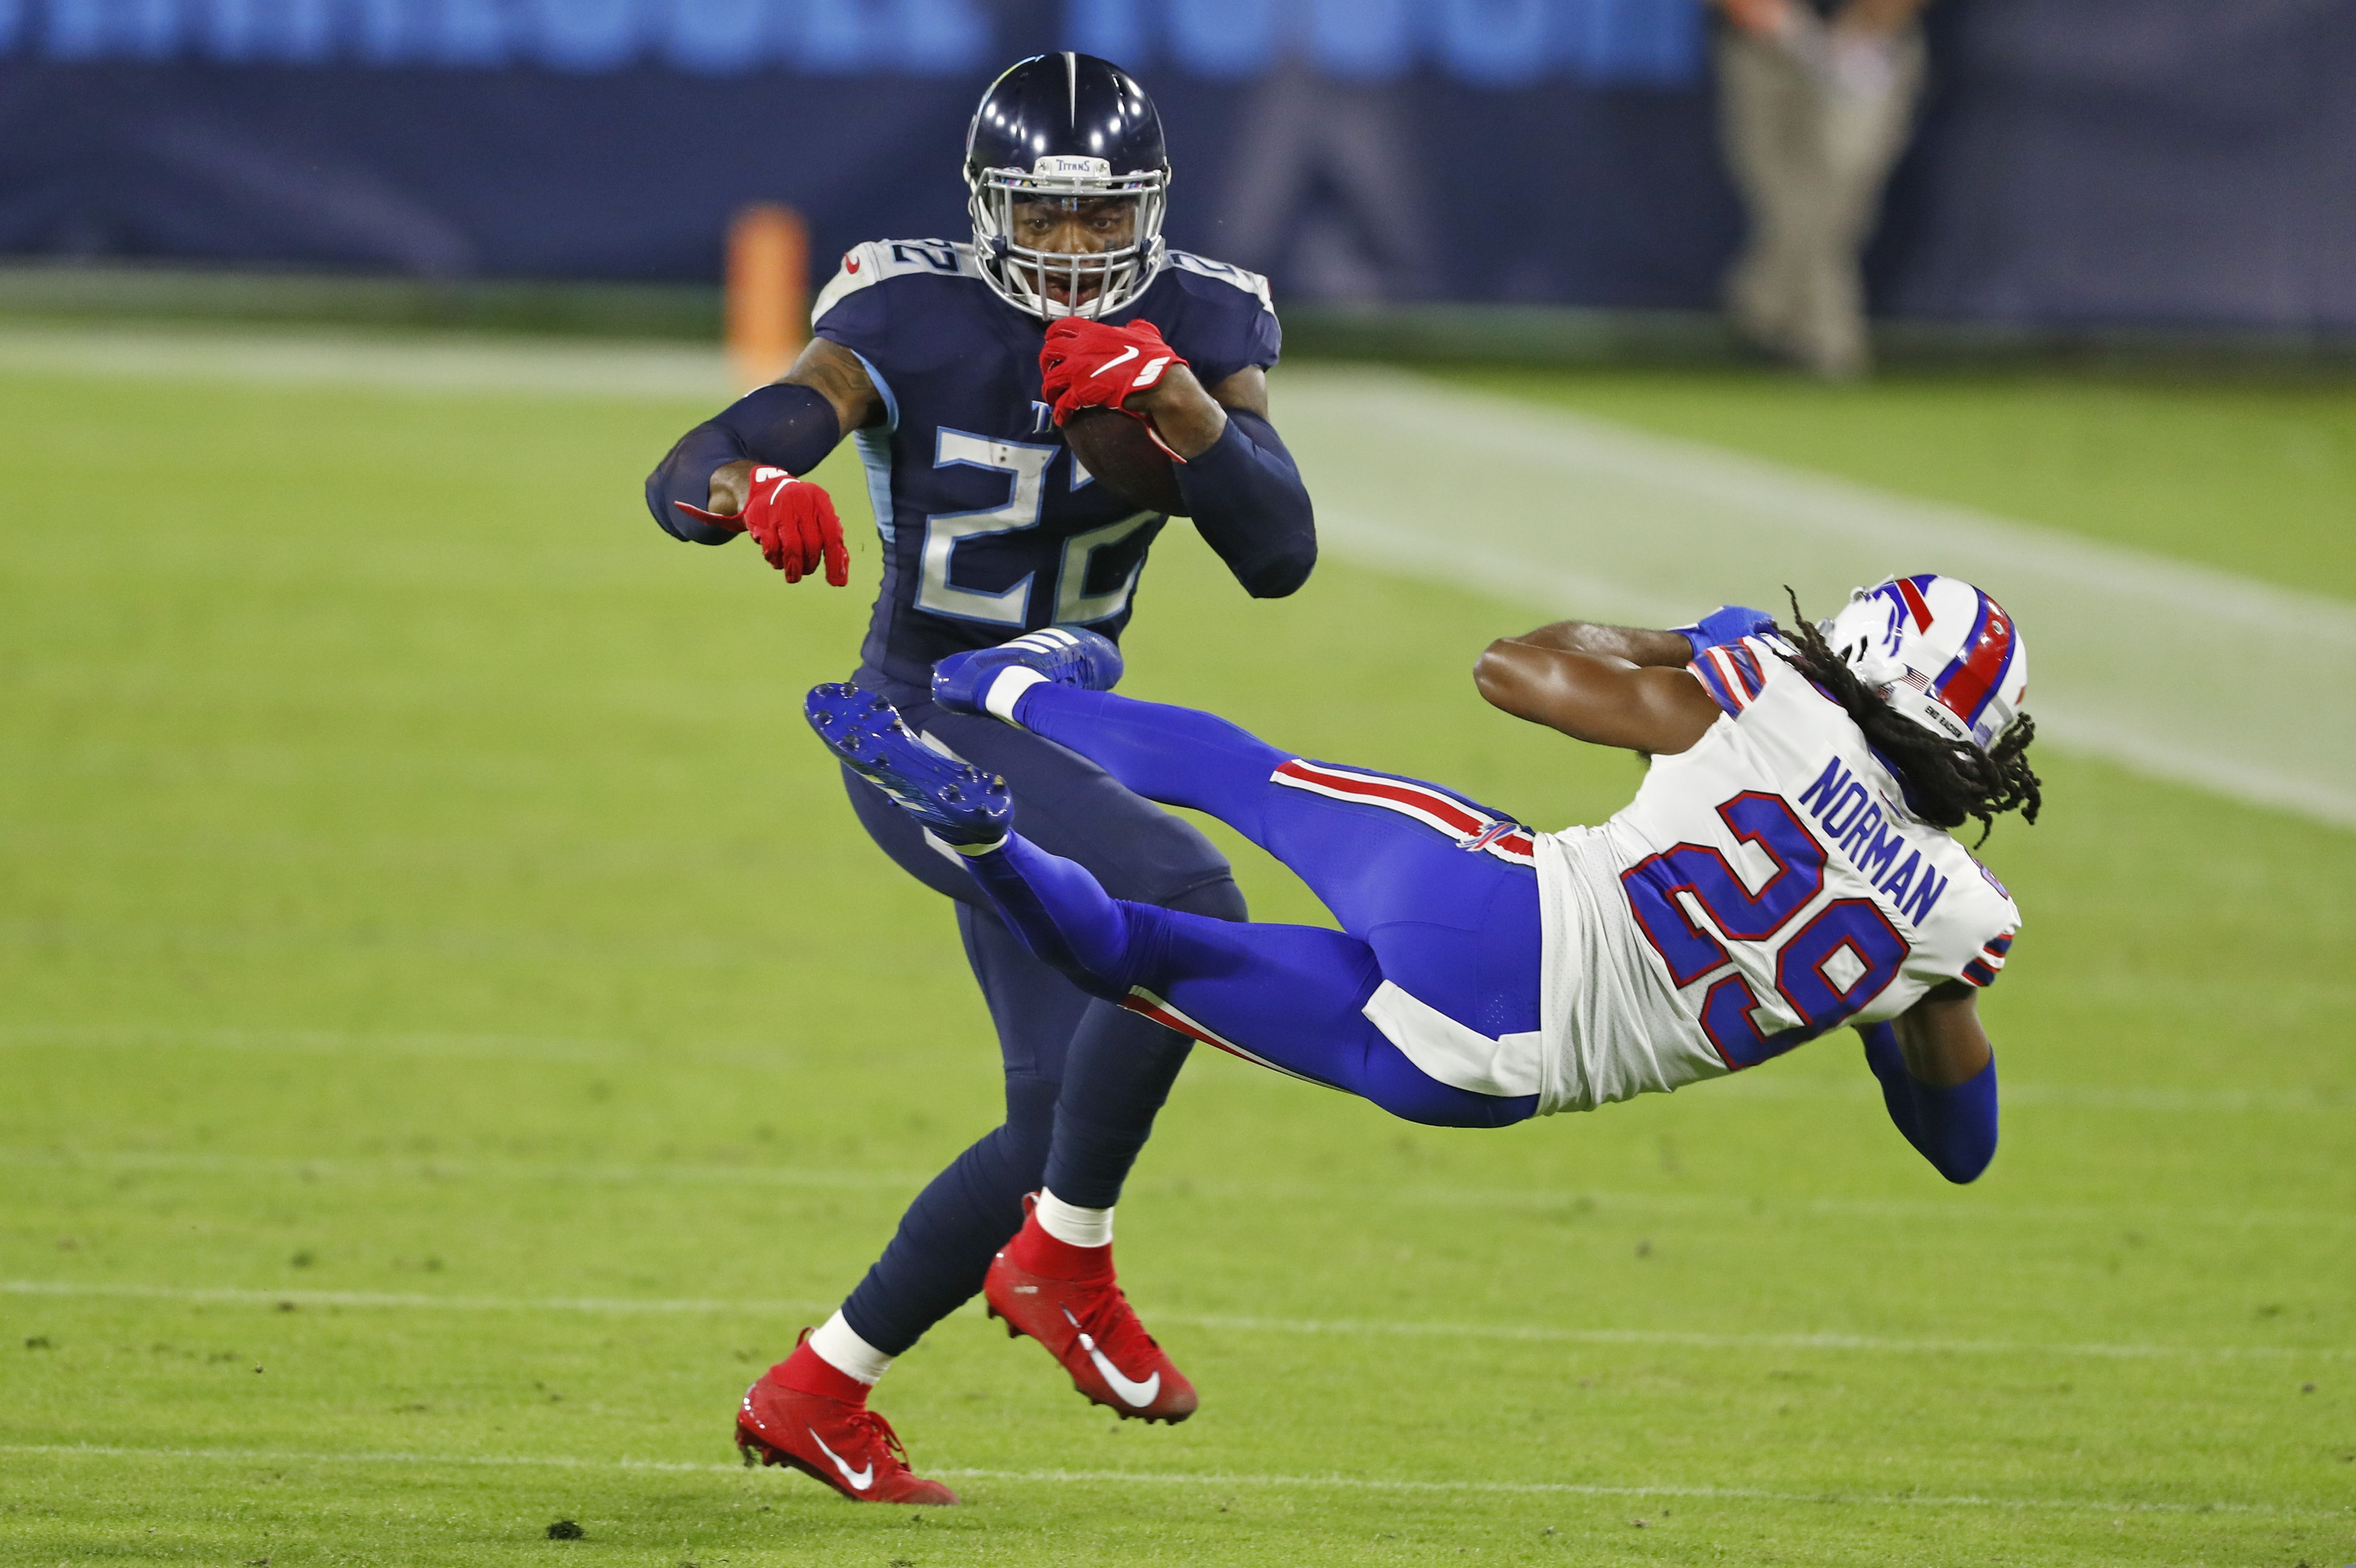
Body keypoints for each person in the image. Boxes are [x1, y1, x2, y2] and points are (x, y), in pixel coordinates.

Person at [643, 54, 1316, 1504]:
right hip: (925, 726)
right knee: (1189, 898)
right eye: (1041, 214)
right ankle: (1069, 1259)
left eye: (1098, 217)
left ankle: (818, 1387)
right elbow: (716, 449)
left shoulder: (1202, 316)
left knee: (1048, 1120)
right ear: (984, 206)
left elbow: (1279, 555)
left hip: (1054, 726)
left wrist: (1184, 409)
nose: (1071, 248)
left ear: (1147, 210)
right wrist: (747, 488)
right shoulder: (905, 311)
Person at [808, 577, 2035, 1224]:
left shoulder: (1774, 703)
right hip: (1481, 1076)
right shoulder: (1954, 921)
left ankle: (1005, 689)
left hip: (1492, 911)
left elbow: (1516, 672)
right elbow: (1961, 1150)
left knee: (1255, 780)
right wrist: (1891, 1015)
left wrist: (1686, 644)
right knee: (1136, 957)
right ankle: (985, 839)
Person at [1712, 0, 1935, 377]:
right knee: (1778, 195)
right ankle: (1781, 319)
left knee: (1839, 190)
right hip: (1762, 49)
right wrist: (1775, 21)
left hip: (1871, 42)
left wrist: (1867, 27)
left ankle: (1799, 322)